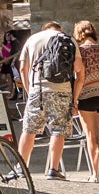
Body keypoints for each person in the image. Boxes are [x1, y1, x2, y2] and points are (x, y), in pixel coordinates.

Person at [18, 20, 76, 181]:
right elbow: (78, 69)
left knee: (29, 129)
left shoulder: (32, 39)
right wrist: (75, 97)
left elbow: (23, 68)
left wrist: (29, 90)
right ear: (60, 29)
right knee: (58, 130)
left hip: (37, 89)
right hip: (62, 90)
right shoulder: (67, 39)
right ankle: (53, 169)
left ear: (44, 28)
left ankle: (21, 168)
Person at [71, 21, 99, 183]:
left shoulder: (81, 51)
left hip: (87, 94)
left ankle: (96, 174)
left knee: (90, 136)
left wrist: (75, 99)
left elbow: (80, 78)